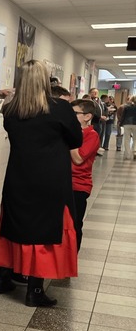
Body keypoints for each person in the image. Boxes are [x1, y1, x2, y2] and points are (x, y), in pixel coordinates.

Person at [0, 61, 82, 307]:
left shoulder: (11, 110)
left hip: (18, 176)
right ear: (45, 80)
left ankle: (3, 278)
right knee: (44, 231)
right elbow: (76, 138)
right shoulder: (60, 108)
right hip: (50, 178)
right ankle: (35, 290)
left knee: (14, 225)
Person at [69, 99, 100, 252]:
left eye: (75, 113)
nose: (70, 116)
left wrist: (69, 138)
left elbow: (78, 158)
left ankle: (71, 258)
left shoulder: (92, 136)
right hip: (63, 182)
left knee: (74, 224)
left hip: (78, 186)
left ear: (87, 116)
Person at [120, 94, 136, 158]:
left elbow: (123, 116)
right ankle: (134, 151)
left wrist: (120, 123)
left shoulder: (126, 107)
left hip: (127, 124)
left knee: (127, 139)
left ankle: (127, 155)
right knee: (135, 139)